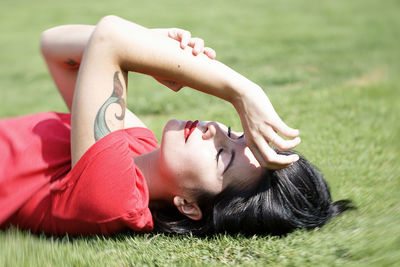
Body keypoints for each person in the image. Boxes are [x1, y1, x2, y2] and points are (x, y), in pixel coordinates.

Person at [0, 15, 353, 236]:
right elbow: (56, 50)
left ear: (188, 206)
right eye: (233, 132)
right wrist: (149, 46)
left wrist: (243, 92)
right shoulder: (138, 146)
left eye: (221, 156)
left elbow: (109, 37)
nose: (213, 130)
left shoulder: (114, 199)